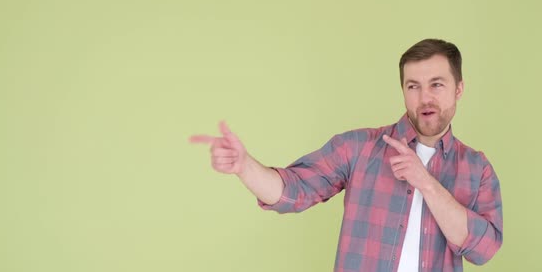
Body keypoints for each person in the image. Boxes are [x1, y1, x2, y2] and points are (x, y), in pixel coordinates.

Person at [190, 39, 503, 272]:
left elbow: (484, 249)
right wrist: (244, 166)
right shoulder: (359, 147)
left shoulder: (478, 169)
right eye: (413, 86)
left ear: (459, 88)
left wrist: (427, 183)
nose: (424, 97)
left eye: (437, 84)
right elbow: (294, 191)